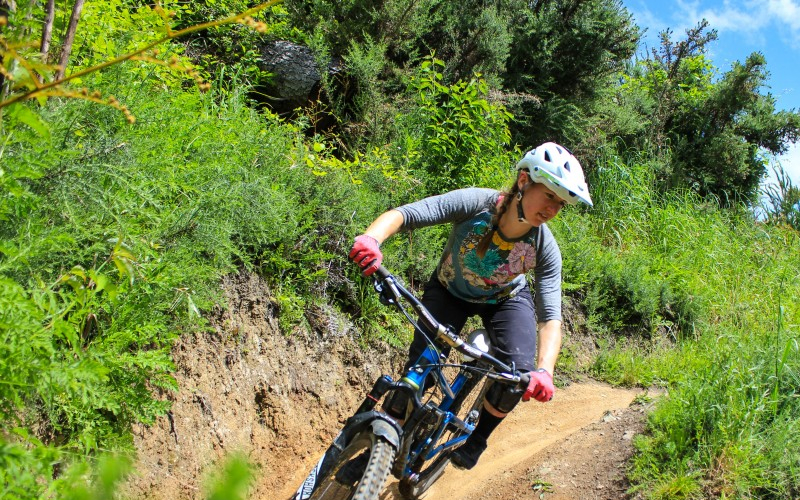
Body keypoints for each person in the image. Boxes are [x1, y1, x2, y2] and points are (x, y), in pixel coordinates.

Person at [348, 142, 592, 470]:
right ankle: (374, 455)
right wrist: (371, 239)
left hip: (504, 302)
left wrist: (544, 371)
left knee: (515, 377)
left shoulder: (545, 247)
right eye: (549, 195)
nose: (552, 208)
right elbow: (406, 214)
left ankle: (478, 439)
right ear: (523, 181)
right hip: (449, 290)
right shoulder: (476, 203)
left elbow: (550, 318)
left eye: (560, 203)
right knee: (419, 373)